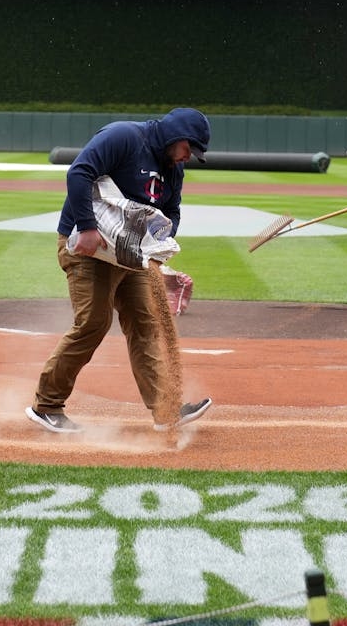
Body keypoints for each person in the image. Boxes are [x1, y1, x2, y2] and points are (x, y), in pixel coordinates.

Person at [28, 107, 214, 434]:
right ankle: (47, 405)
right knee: (94, 322)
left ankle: (166, 410)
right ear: (176, 136)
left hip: (129, 254)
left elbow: (170, 212)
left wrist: (158, 247)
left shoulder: (173, 168)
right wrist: (86, 226)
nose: (188, 157)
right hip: (89, 247)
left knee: (145, 322)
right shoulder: (124, 137)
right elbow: (79, 173)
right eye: (189, 149)